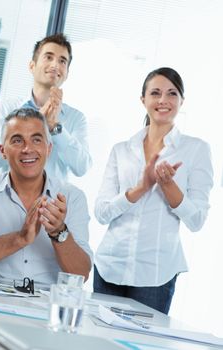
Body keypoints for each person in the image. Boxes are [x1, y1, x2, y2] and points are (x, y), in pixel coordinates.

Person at [93, 67, 214, 314]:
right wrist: (140, 188)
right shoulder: (121, 150)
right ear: (143, 100)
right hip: (109, 265)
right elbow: (101, 213)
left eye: (171, 94)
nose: (163, 100)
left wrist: (168, 186)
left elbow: (197, 220)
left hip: (156, 274)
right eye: (155, 93)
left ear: (181, 101)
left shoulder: (196, 150)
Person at [0, 108, 92, 288]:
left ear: (48, 149)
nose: (27, 149)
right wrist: (20, 238)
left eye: (36, 140)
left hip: (48, 303)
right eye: (17, 141)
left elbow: (82, 273)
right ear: (3, 151)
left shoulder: (73, 197)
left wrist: (59, 232)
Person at [0, 33, 92, 181]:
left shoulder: (76, 118)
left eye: (62, 61)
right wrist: (26, 129)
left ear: (66, 74)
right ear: (32, 66)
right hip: (6, 200)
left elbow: (82, 167)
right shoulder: (6, 109)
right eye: (48, 57)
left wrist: (54, 128)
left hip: (50, 202)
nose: (55, 65)